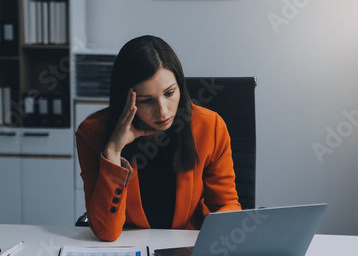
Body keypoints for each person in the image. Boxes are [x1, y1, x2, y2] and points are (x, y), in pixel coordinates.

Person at [75, 35, 241, 241]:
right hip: (129, 248)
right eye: (146, 101)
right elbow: (105, 232)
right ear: (125, 98)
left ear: (180, 86)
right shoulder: (91, 133)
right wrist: (113, 152)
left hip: (187, 248)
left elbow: (227, 205)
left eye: (169, 93)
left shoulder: (210, 127)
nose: (162, 112)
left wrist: (215, 238)